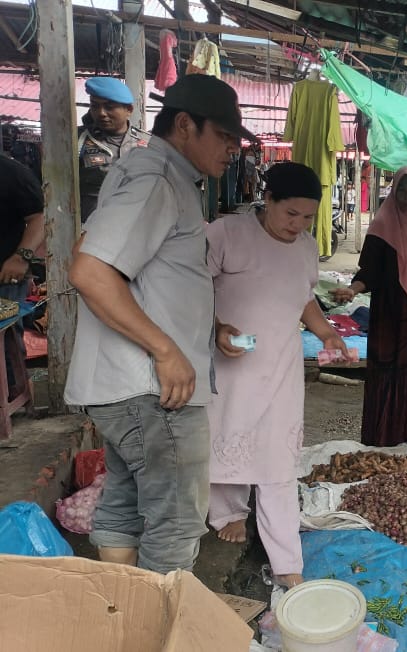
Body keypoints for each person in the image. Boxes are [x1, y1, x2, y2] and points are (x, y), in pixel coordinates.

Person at [65, 75, 253, 573]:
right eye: (224, 136)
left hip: (129, 387)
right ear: (185, 125)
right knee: (176, 521)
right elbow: (89, 271)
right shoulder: (158, 181)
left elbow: (107, 257)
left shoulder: (147, 173)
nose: (233, 149)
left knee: (125, 504)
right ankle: (160, 619)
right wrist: (167, 350)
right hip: (153, 391)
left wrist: (209, 325)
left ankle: (122, 608)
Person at [205, 163, 348, 588]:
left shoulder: (305, 247)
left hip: (281, 363)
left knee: (277, 457)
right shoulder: (226, 234)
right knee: (226, 436)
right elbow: (189, 287)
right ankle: (229, 513)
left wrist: (327, 333)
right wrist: (215, 327)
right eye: (291, 214)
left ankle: (287, 561)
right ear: (267, 200)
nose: (298, 225)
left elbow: (303, 298)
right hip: (231, 358)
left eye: (308, 217)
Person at [332, 167, 407, 447]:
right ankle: (384, 433)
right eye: (402, 190)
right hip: (391, 312)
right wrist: (353, 289)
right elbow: (369, 271)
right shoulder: (382, 227)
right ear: (393, 192)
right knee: (389, 369)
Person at [78, 77, 149, 223]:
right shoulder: (77, 140)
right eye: (95, 106)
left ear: (129, 110)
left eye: (109, 107)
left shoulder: (149, 144)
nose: (101, 113)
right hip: (90, 229)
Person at [0, 155, 45, 387]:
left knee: (6, 345)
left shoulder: (11, 172)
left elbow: (40, 217)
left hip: (5, 274)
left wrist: (21, 257)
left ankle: (12, 393)